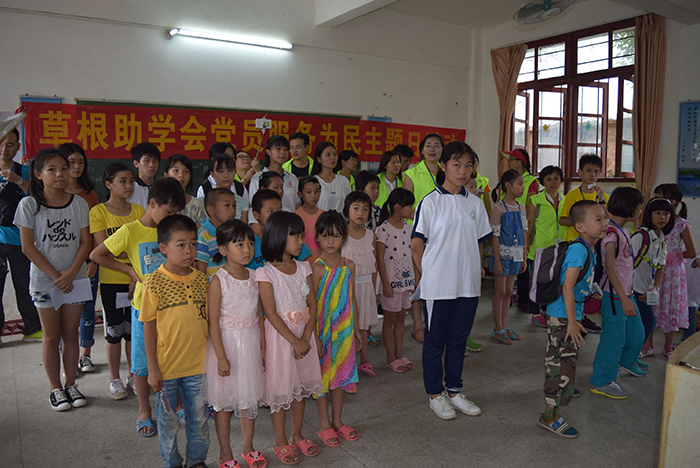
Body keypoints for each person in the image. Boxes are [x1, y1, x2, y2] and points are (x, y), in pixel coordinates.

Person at [91, 178, 186, 435]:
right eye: (168, 212)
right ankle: (144, 410)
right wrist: (130, 271)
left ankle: (177, 404)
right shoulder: (131, 230)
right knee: (142, 365)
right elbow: (97, 255)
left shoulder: (172, 229)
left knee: (173, 359)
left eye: (175, 213)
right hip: (144, 310)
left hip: (173, 308)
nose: (171, 218)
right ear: (152, 203)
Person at [411, 141, 491, 420]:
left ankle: (455, 392)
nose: (463, 171)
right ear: (443, 166)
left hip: (468, 285)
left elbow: (479, 240)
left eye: (468, 165)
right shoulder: (430, 202)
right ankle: (436, 395)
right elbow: (417, 243)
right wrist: (428, 274)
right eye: (457, 164)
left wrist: (476, 267)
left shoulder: (475, 203)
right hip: (439, 286)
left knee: (459, 340)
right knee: (435, 341)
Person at [15, 148, 91, 410]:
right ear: (38, 174)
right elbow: (27, 247)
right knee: (51, 336)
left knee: (71, 334)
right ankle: (55, 388)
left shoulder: (79, 203)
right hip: (45, 281)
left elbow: (85, 243)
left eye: (64, 168)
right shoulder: (29, 205)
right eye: (52, 169)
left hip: (75, 279)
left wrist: (70, 274)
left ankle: (71, 384)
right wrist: (57, 276)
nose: (60, 174)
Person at [141, 215, 209, 468]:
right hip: (166, 368)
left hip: (198, 366)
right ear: (163, 248)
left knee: (198, 419)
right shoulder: (153, 282)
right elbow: (148, 327)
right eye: (180, 245)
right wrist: (153, 369)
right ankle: (172, 462)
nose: (188, 250)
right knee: (168, 423)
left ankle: (197, 460)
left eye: (193, 244)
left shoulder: (201, 280)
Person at [256, 211, 323, 465]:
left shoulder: (304, 267)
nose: (301, 241)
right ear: (277, 237)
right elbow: (270, 313)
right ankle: (280, 440)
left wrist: (306, 336)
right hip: (281, 339)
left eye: (301, 236)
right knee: (281, 391)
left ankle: (297, 434)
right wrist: (294, 341)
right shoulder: (266, 273)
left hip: (303, 334)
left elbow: (312, 303)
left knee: (300, 388)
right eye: (295, 236)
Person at [539, 200, 607, 438]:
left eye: (604, 217)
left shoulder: (589, 247)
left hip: (568, 314)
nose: (604, 222)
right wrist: (572, 322)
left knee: (564, 362)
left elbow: (579, 282)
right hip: (563, 316)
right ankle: (550, 416)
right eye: (598, 219)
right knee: (559, 366)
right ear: (580, 226)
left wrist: (591, 291)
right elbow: (567, 287)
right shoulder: (579, 250)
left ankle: (561, 394)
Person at [203, 220, 266, 468]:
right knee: (224, 403)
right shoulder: (218, 281)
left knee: (248, 398)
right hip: (227, 345)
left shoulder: (255, 277)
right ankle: (225, 452)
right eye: (239, 244)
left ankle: (248, 446)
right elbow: (213, 322)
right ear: (223, 250)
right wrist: (221, 356)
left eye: (250, 243)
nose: (247, 249)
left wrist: (263, 347)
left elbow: (259, 315)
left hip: (250, 342)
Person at [89, 163, 145, 399]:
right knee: (114, 332)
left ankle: (134, 375)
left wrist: (134, 275)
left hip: (137, 281)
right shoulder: (98, 213)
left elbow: (141, 247)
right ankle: (114, 378)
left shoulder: (139, 212)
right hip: (111, 282)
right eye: (123, 181)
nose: (129, 185)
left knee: (133, 332)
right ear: (108, 184)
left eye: (131, 181)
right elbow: (105, 249)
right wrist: (128, 265)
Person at [589, 187, 645, 399]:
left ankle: (623, 363)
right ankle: (601, 380)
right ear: (629, 209)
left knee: (636, 334)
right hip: (614, 296)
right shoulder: (611, 235)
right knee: (613, 340)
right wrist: (624, 299)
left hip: (625, 293)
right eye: (638, 207)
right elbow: (610, 269)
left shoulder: (622, 230)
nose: (640, 211)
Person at [312, 210, 362, 447]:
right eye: (325, 236)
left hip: (344, 332)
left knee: (341, 375)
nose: (330, 241)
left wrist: (357, 330)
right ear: (317, 238)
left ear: (344, 237)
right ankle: (324, 424)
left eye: (336, 236)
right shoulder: (317, 268)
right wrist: (314, 337)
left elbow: (352, 299)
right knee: (322, 378)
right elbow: (311, 305)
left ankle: (337, 420)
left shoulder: (349, 265)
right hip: (323, 333)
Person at [60, 142, 100, 372]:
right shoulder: (53, 193)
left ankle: (85, 354)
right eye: (71, 162)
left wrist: (93, 260)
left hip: (87, 262)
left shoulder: (89, 194)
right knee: (62, 310)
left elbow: (96, 232)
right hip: (60, 263)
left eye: (80, 162)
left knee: (87, 309)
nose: (76, 167)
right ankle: (65, 355)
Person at [0, 128, 42, 343]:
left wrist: (17, 180)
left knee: (25, 284)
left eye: (10, 145)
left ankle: (32, 327)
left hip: (19, 239)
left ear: (18, 147)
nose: (4, 149)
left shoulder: (26, 172)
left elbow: (37, 198)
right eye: (1, 144)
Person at [559, 154, 609, 333]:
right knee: (572, 282)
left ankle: (582, 315)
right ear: (579, 172)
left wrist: (602, 201)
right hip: (577, 245)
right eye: (588, 170)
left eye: (596, 171)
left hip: (594, 247)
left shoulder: (603, 196)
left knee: (588, 282)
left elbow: (609, 220)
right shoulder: (572, 195)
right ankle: (570, 316)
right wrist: (582, 223)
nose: (592, 174)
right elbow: (562, 219)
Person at [402, 134, 444, 346]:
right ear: (422, 150)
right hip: (418, 234)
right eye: (428, 145)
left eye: (437, 146)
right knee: (418, 280)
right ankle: (418, 325)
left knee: (439, 280)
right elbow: (406, 205)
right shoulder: (411, 174)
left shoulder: (448, 172)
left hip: (442, 234)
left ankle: (435, 323)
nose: (432, 149)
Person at [648, 183, 697, 358]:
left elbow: (692, 252)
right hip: (653, 272)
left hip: (673, 275)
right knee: (652, 305)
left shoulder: (681, 224)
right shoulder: (652, 223)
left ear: (673, 202)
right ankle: (648, 345)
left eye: (659, 197)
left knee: (671, 307)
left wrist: (672, 256)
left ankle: (668, 346)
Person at [376, 188, 415, 373]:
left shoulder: (409, 228)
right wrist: (385, 283)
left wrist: (416, 278)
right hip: (391, 282)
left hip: (406, 282)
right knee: (389, 319)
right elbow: (379, 258)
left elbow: (413, 254)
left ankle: (399, 354)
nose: (412, 209)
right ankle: (390, 356)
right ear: (398, 207)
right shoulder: (383, 229)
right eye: (409, 206)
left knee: (401, 318)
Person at [341, 192, 377, 377]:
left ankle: (365, 360)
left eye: (365, 209)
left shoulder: (371, 235)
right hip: (347, 287)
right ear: (347, 211)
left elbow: (374, 265)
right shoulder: (341, 234)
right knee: (347, 324)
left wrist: (375, 289)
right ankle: (347, 363)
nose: (360, 213)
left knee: (363, 325)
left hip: (366, 286)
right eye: (355, 208)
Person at [489, 169, 528, 345]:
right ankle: (497, 328)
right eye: (519, 184)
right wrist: (497, 260)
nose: (522, 187)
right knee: (500, 291)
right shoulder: (499, 208)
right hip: (502, 256)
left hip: (516, 255)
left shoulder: (521, 208)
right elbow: (495, 236)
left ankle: (504, 326)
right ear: (508, 185)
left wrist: (524, 257)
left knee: (509, 292)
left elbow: (524, 232)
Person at [499, 149, 539, 316]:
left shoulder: (531, 182)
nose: (509, 161)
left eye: (512, 159)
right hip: (506, 228)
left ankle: (524, 300)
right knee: (504, 264)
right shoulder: (507, 179)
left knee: (522, 267)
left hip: (521, 228)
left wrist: (526, 237)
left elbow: (531, 212)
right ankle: (504, 299)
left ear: (521, 162)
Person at [527, 165, 565, 327]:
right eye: (548, 179)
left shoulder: (565, 200)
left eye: (556, 178)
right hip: (540, 248)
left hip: (559, 248)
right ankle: (535, 312)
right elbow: (529, 223)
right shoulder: (536, 200)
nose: (553, 182)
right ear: (542, 181)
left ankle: (545, 310)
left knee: (552, 280)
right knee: (537, 281)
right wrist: (525, 244)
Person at [635, 197, 673, 359]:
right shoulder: (641, 236)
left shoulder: (662, 238)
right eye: (658, 213)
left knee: (647, 323)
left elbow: (661, 266)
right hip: (634, 288)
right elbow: (626, 264)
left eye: (666, 214)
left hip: (647, 289)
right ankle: (629, 356)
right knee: (647, 322)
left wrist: (655, 288)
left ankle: (632, 356)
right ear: (649, 214)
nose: (662, 217)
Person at [246, 190, 311, 271]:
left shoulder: (293, 239)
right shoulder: (252, 247)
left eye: (279, 211)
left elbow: (304, 268)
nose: (276, 215)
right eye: (270, 211)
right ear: (256, 215)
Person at [247, 135, 299, 215]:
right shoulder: (258, 178)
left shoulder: (292, 177)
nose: (282, 152)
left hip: (289, 220)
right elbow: (253, 205)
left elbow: (297, 204)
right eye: (278, 149)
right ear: (268, 152)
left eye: (286, 149)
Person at [196, 188, 236, 277]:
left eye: (234, 205)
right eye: (226, 205)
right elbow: (201, 271)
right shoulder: (203, 235)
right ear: (211, 210)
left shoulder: (234, 231)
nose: (232, 210)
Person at [197, 154, 249, 223]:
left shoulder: (243, 203)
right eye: (221, 171)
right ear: (212, 174)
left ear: (235, 172)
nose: (226, 175)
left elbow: (243, 227)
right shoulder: (201, 202)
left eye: (230, 171)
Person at [164, 153, 206, 227]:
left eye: (186, 171)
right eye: (176, 170)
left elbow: (204, 229)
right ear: (166, 175)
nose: (181, 175)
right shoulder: (161, 202)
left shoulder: (196, 204)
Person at [310, 142, 352, 212]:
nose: (333, 158)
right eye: (328, 155)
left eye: (334, 154)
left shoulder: (343, 181)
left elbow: (349, 205)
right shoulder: (313, 181)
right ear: (319, 159)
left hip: (340, 219)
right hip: (320, 219)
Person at [296, 175, 324, 261]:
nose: (313, 196)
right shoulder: (295, 216)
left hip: (322, 262)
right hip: (302, 263)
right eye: (308, 192)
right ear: (300, 194)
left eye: (316, 191)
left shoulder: (324, 216)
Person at [127, 142, 160, 210]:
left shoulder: (163, 188)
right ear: (136, 163)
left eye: (155, 161)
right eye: (147, 161)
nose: (151, 165)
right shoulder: (129, 188)